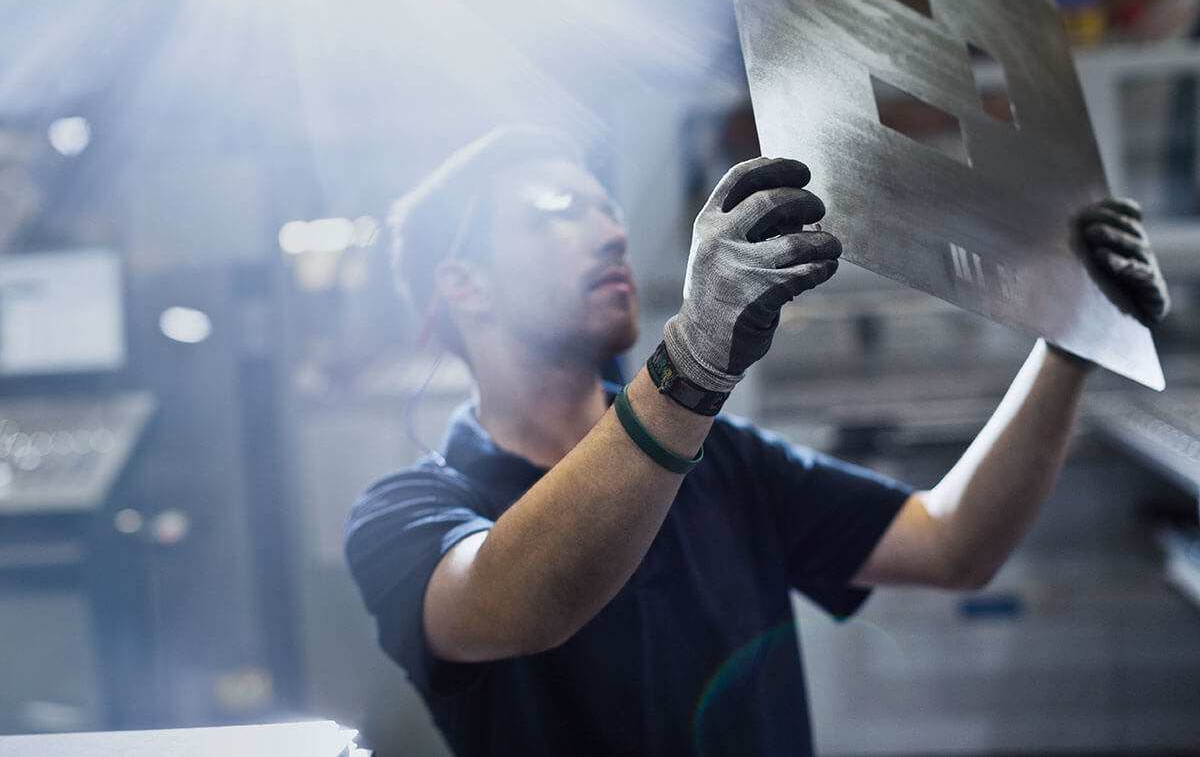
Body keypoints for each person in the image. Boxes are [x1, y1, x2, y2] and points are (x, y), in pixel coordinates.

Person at [344, 126, 1170, 757]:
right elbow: (510, 603)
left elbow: (953, 544)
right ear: (463, 288)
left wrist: (1069, 342)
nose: (611, 233)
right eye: (556, 215)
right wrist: (694, 360)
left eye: (608, 207)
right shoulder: (406, 515)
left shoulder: (725, 461)